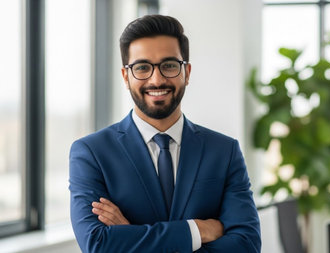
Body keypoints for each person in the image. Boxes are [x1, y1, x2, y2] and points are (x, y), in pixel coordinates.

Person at [69, 14, 261, 253]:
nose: (156, 79)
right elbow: (99, 245)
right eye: (142, 68)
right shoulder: (91, 153)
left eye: (169, 65)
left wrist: (131, 235)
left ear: (187, 72)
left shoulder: (224, 151)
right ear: (125, 77)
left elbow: (247, 245)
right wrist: (197, 230)